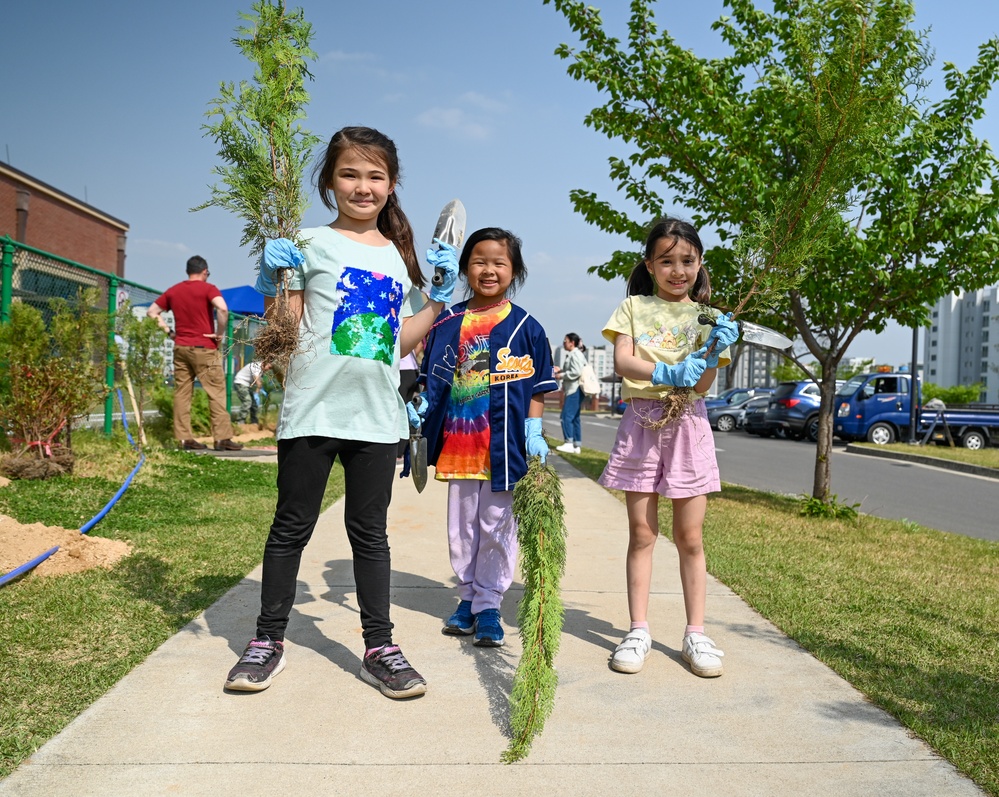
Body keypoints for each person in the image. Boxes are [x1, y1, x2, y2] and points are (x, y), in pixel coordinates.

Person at [223, 126, 459, 700]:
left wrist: (436, 299)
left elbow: (395, 344)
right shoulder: (307, 243)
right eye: (350, 174)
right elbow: (286, 326)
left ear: (392, 184)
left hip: (376, 417)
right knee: (290, 527)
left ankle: (380, 647)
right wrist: (270, 279)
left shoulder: (399, 260)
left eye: (375, 176)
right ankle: (267, 640)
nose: (362, 186)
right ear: (329, 181)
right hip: (311, 410)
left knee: (369, 534)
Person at [597, 217, 740, 678]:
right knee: (642, 533)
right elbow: (623, 360)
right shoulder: (634, 307)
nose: (678, 270)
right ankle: (638, 629)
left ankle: (695, 632)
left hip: (688, 426)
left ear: (700, 265)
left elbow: (703, 382)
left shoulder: (712, 318)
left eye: (687, 261)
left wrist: (714, 347)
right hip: (641, 422)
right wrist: (663, 373)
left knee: (690, 537)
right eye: (667, 261)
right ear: (650, 264)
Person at [415, 227, 558, 647]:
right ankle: (466, 599)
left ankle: (490, 604)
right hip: (459, 448)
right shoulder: (446, 320)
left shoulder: (526, 327)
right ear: (464, 268)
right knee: (462, 529)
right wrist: (422, 406)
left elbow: (538, 389)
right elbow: (433, 380)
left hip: (504, 450)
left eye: (499, 262)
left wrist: (533, 430)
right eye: (479, 261)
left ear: (514, 271)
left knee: (497, 528)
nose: (489, 270)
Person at [148, 256, 243, 452]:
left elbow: (152, 312)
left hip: (181, 348)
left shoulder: (174, 290)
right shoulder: (209, 289)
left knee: (182, 394)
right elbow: (222, 308)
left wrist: (170, 333)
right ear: (205, 271)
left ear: (188, 271)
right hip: (204, 348)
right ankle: (222, 438)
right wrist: (219, 333)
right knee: (215, 392)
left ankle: (184, 438)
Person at [554, 333, 587, 454]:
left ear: (572, 342)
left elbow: (576, 372)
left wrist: (560, 375)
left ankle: (568, 443)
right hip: (574, 389)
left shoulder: (575, 354)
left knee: (565, 417)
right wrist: (561, 370)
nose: (563, 343)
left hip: (575, 389)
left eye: (565, 341)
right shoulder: (575, 354)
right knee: (575, 418)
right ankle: (576, 445)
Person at [232, 360, 270, 425]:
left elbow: (258, 384)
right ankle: (240, 421)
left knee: (254, 404)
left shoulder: (261, 370)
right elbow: (257, 382)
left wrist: (256, 394)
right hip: (240, 383)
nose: (268, 369)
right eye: (269, 367)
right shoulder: (256, 366)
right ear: (264, 363)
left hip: (247, 385)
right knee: (247, 401)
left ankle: (254, 422)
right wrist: (258, 390)